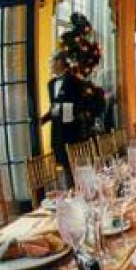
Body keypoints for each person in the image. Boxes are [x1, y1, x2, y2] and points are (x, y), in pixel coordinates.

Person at [41, 52, 83, 187]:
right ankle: (70, 190)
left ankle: (78, 189)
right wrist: (42, 120)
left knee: (75, 165)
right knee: (64, 166)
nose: (50, 66)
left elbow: (79, 105)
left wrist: (66, 111)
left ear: (60, 62)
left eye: (52, 62)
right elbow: (54, 107)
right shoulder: (51, 84)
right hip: (58, 131)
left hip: (71, 131)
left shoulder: (75, 81)